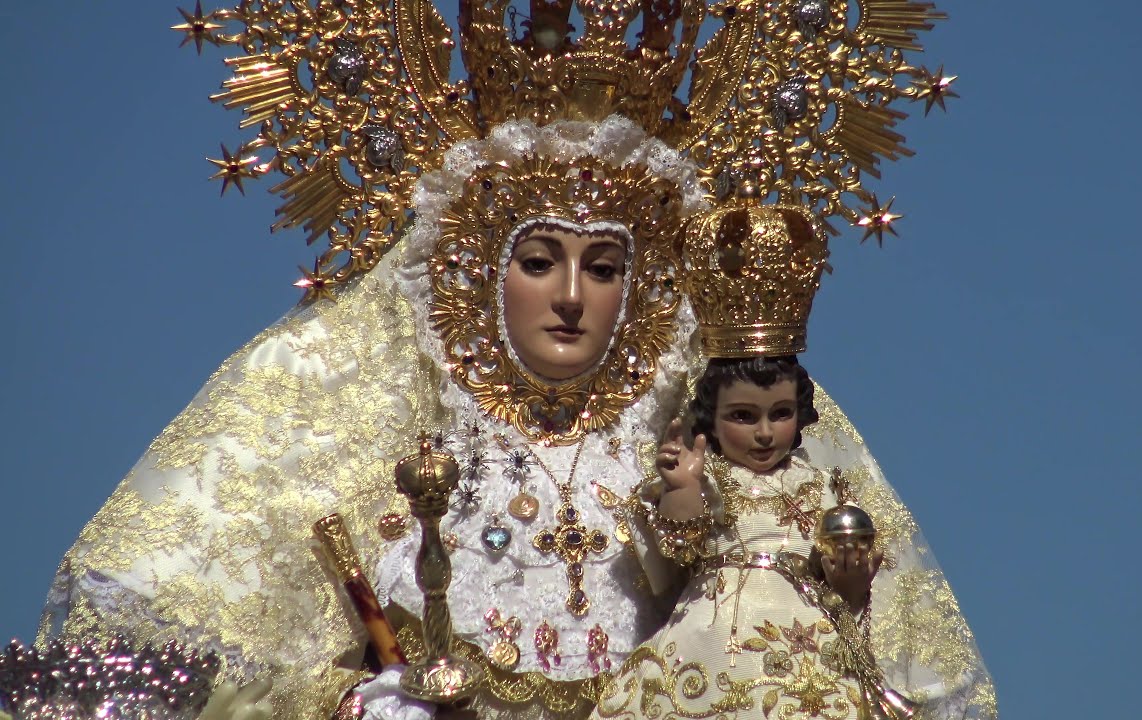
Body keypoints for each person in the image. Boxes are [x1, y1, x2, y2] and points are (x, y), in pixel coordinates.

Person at [39, 0, 994, 719]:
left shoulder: (719, 417)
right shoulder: (344, 391)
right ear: (477, 266)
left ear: (646, 280)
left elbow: (861, 648)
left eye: (605, 265)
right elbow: (176, 645)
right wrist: (341, 700)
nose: (572, 296)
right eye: (540, 261)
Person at [594, 203, 995, 719]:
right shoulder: (710, 475)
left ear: (802, 413)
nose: (764, 433)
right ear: (710, 420)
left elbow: (848, 588)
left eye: (779, 414)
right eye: (743, 416)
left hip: (810, 641)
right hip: (715, 641)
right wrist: (683, 488)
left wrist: (850, 579)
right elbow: (674, 555)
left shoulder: (824, 482)